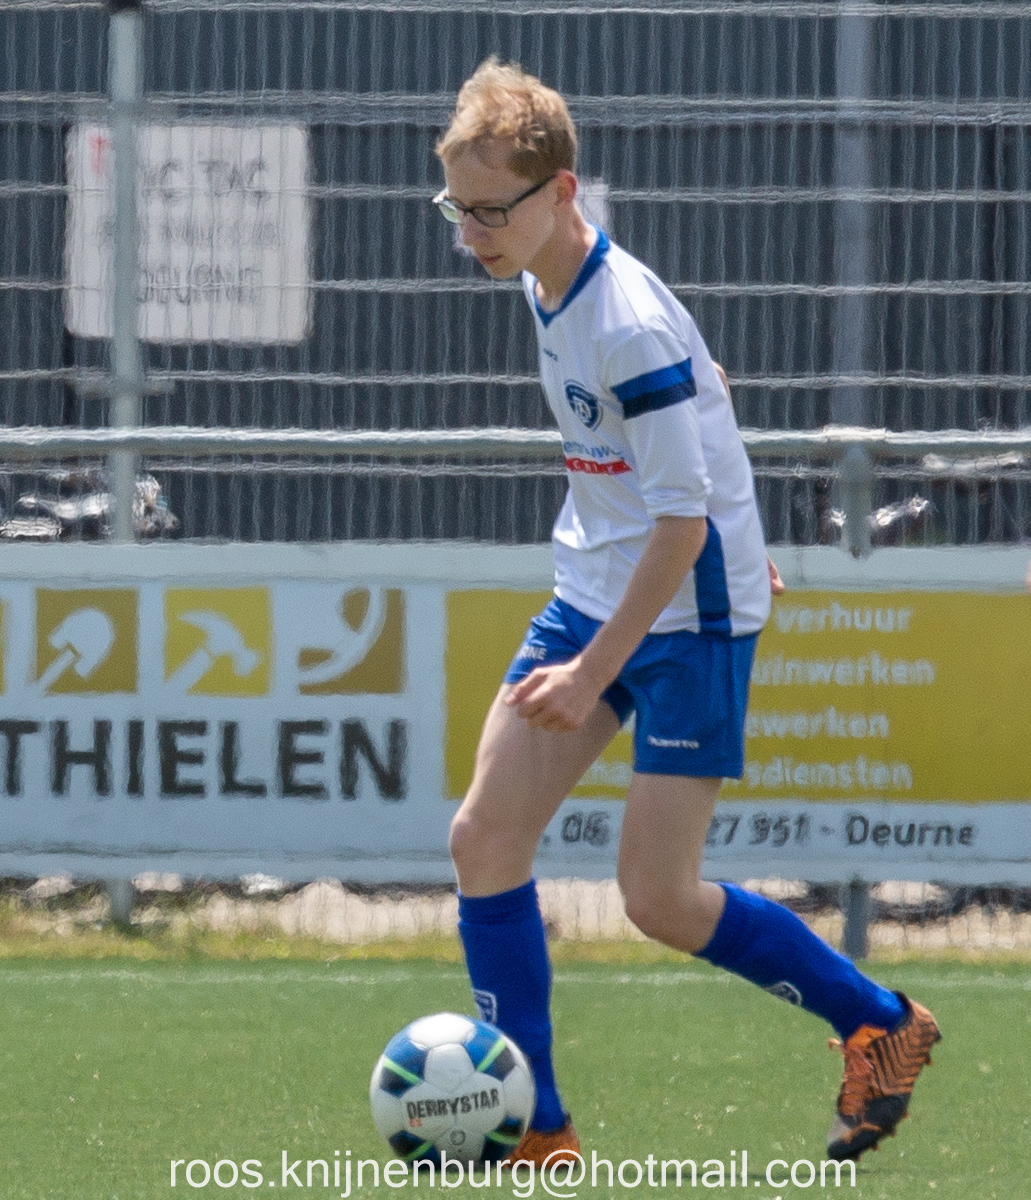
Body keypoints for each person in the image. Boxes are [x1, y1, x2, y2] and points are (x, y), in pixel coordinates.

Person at [433, 57, 940, 1167]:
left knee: (655, 899)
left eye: (489, 210)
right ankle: (537, 1127)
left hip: (683, 616)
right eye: (456, 208)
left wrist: (595, 668)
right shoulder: (543, 276)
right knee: (483, 839)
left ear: (561, 192)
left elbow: (679, 525)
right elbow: (709, 392)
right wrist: (735, 536)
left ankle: (880, 1022)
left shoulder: (623, 324)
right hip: (597, 591)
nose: (469, 232)